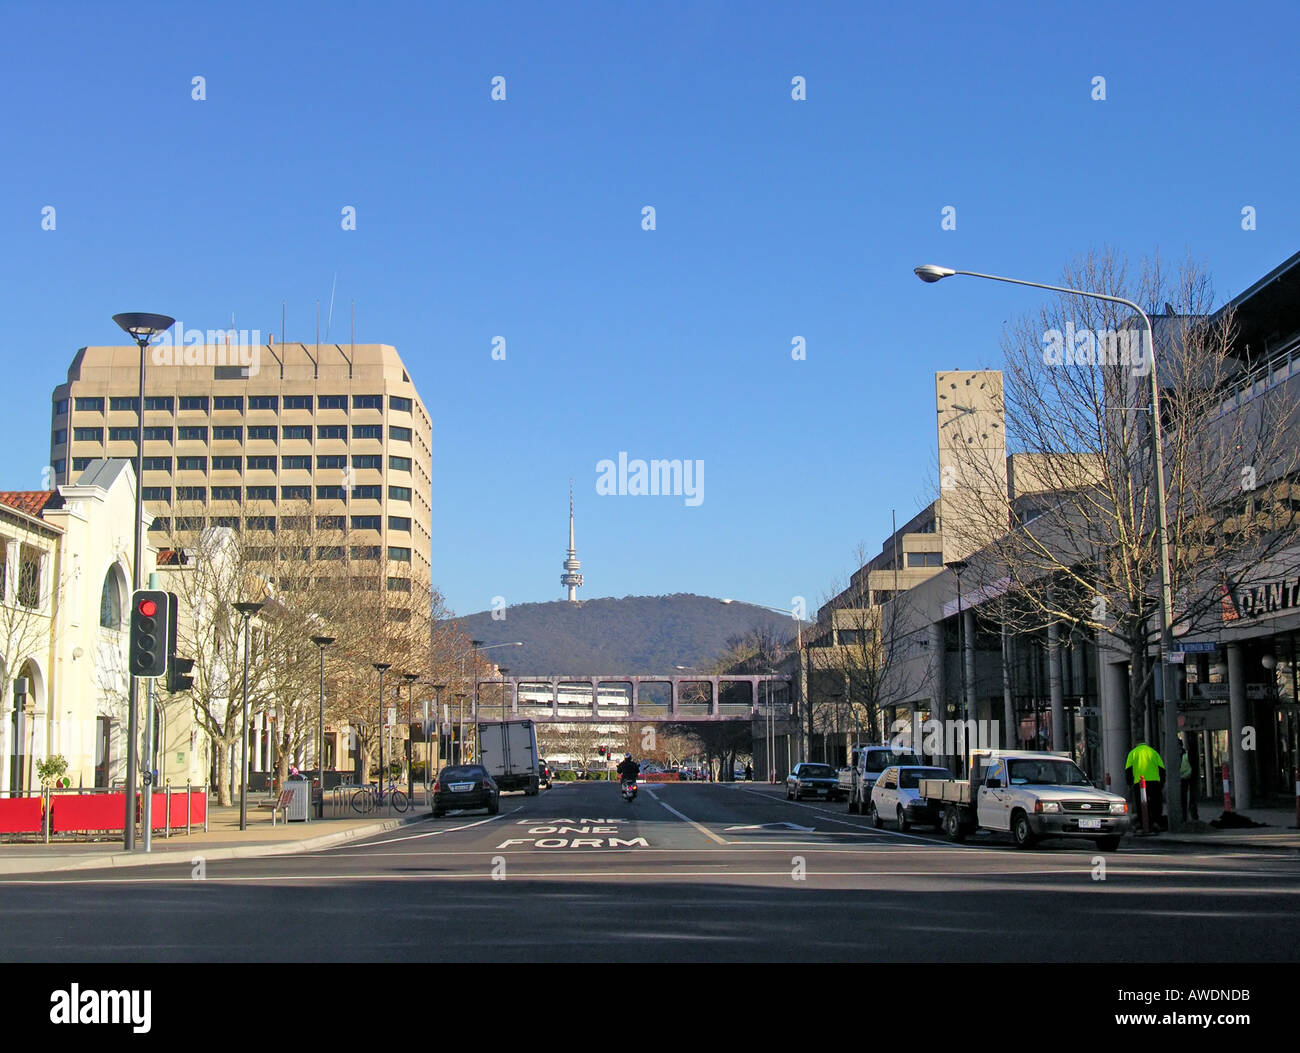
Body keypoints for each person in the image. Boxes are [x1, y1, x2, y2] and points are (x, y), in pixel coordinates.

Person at [1125, 740, 1166, 832]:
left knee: (1141, 804)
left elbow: (1128, 770)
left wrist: (1129, 783)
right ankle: (1156, 822)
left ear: (1136, 744)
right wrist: (1162, 782)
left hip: (1139, 783)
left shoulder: (1133, 753)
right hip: (1154, 782)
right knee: (1156, 803)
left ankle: (1144, 823)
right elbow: (1162, 769)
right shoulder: (1153, 752)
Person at [1179, 742, 1199, 821]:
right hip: (1183, 779)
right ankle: (1185, 818)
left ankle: (1192, 818)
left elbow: (1192, 767)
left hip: (1188, 779)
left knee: (1190, 800)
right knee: (1184, 801)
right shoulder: (1183, 755)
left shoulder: (1186, 755)